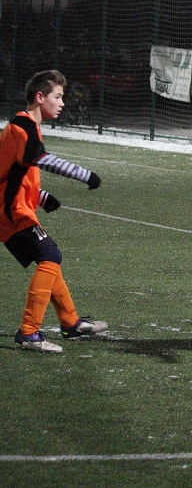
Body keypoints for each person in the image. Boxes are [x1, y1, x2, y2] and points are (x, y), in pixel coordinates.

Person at [2, 70, 108, 353]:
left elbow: (14, 175)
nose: (62, 103)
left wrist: (42, 196)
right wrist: (85, 175)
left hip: (16, 207)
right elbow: (42, 160)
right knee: (50, 255)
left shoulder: (26, 128)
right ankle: (28, 331)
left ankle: (70, 322)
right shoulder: (22, 127)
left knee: (49, 259)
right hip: (8, 212)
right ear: (40, 97)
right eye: (57, 96)